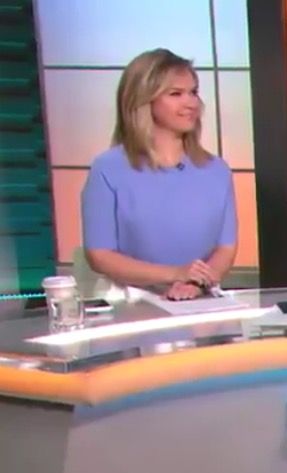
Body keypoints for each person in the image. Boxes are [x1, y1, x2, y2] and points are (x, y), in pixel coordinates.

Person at [81, 48, 237, 301]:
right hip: (132, 305)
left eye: (193, 92)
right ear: (144, 100)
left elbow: (225, 249)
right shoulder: (108, 169)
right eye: (176, 94)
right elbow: (100, 255)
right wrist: (175, 274)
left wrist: (194, 284)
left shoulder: (217, 170)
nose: (191, 103)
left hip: (200, 301)